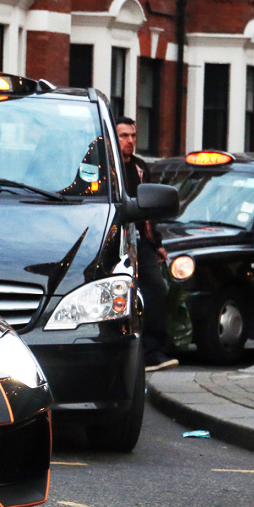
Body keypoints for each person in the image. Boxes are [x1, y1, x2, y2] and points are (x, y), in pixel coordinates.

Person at [116, 118, 177, 372]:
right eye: (123, 136)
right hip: (115, 242)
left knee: (156, 290)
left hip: (140, 243)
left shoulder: (141, 168)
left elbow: (149, 212)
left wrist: (157, 244)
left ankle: (152, 352)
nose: (129, 140)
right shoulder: (109, 166)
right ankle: (121, 352)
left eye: (132, 135)